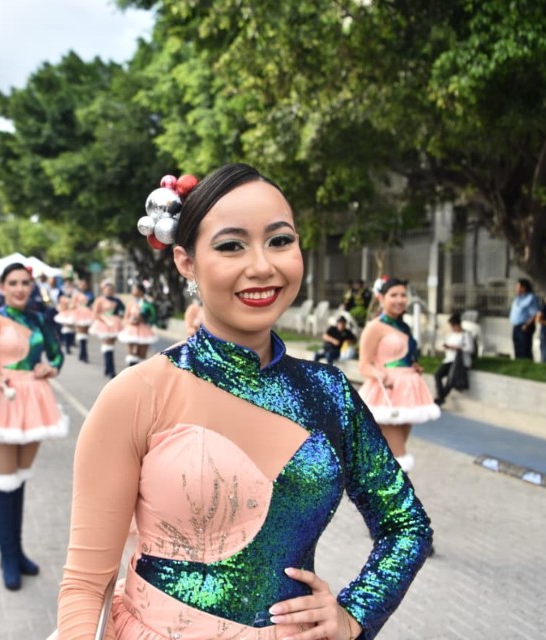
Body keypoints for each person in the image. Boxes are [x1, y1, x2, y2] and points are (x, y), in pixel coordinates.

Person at [57, 164, 432, 640]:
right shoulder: (137, 394)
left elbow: (406, 525)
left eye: (279, 240)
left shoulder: (330, 394)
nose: (262, 266)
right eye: (231, 245)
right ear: (185, 261)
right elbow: (87, 585)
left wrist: (355, 614)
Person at [0, 262, 68, 591]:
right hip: (2, 399)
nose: (20, 288)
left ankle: (18, 552)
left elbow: (56, 355)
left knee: (20, 479)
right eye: (13, 283)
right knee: (4, 481)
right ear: (3, 287)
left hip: (35, 400)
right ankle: (7, 557)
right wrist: (3, 383)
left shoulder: (38, 318)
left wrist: (50, 369)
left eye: (25, 283)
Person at [357, 277, 440, 472]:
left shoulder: (404, 327)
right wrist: (379, 374)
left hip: (408, 392)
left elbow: (404, 357)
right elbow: (364, 365)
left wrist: (414, 365)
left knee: (391, 452)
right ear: (381, 298)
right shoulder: (375, 327)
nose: (400, 299)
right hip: (387, 394)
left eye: (403, 295)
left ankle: (375, 493)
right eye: (393, 295)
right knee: (399, 456)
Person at [433, 313, 475, 406]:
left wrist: (458, 348)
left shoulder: (465, 335)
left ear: (457, 325)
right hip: (449, 359)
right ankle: (441, 396)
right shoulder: (451, 335)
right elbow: (446, 344)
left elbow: (470, 349)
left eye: (453, 326)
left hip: (460, 361)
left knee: (450, 380)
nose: (452, 328)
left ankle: (440, 398)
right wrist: (447, 347)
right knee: (438, 375)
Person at [88, 280, 125, 379]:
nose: (109, 291)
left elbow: (122, 310)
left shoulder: (117, 300)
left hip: (115, 323)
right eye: (107, 289)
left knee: (111, 345)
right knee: (107, 344)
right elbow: (95, 313)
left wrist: (120, 315)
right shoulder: (99, 300)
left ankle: (108, 368)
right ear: (104, 290)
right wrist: (104, 320)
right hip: (103, 323)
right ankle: (110, 368)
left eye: (111, 289)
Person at [118, 284, 158, 366]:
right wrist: (130, 321)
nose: (133, 292)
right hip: (132, 329)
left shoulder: (148, 304)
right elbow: (125, 318)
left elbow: (154, 318)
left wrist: (144, 320)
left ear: (141, 291)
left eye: (135, 289)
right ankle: (131, 371)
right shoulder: (130, 304)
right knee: (131, 353)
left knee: (142, 354)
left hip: (144, 330)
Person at [508, 278, 539, 360]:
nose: (516, 289)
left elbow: (534, 313)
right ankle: (518, 363)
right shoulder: (518, 298)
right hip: (516, 325)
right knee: (517, 347)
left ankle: (526, 364)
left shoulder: (531, 298)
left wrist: (527, 325)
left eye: (518, 287)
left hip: (525, 326)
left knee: (525, 348)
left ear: (524, 287)